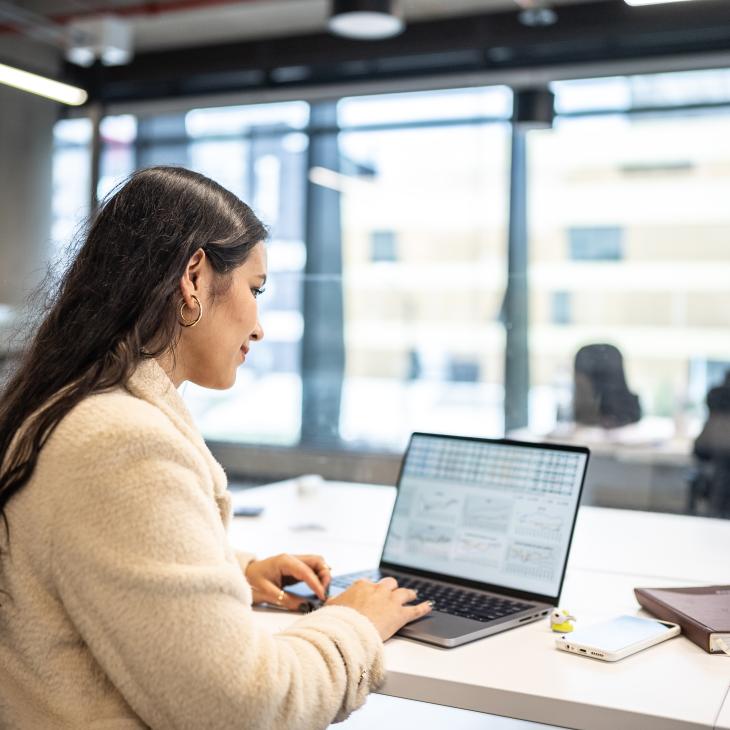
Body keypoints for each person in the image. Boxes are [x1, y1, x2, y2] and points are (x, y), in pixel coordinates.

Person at [0, 166, 432, 729]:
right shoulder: (121, 441)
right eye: (255, 290)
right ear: (195, 278)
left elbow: (76, 560)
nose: (258, 328)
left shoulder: (60, 408)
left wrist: (230, 570)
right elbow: (245, 708)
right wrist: (355, 624)